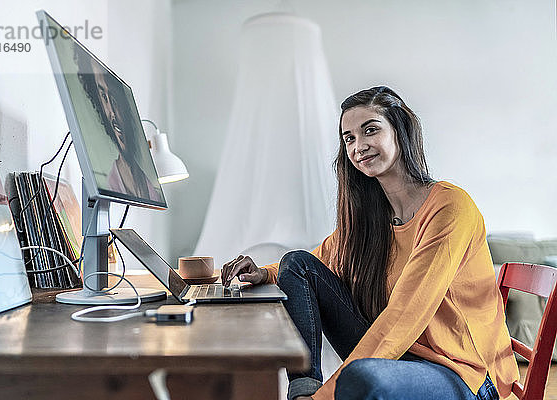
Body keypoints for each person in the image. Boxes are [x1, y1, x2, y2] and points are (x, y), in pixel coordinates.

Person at [221, 86, 519, 400]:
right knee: (296, 264)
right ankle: (302, 390)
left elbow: (405, 313)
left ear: (400, 131)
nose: (358, 147)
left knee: (362, 379)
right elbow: (321, 259)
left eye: (370, 131)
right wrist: (264, 274)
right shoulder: (375, 215)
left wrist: (324, 398)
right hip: (401, 356)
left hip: (462, 372)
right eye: (349, 138)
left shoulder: (450, 208)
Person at [74, 45, 160, 201]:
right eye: (104, 97)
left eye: (113, 97)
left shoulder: (146, 184)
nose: (112, 112)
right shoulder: (111, 182)